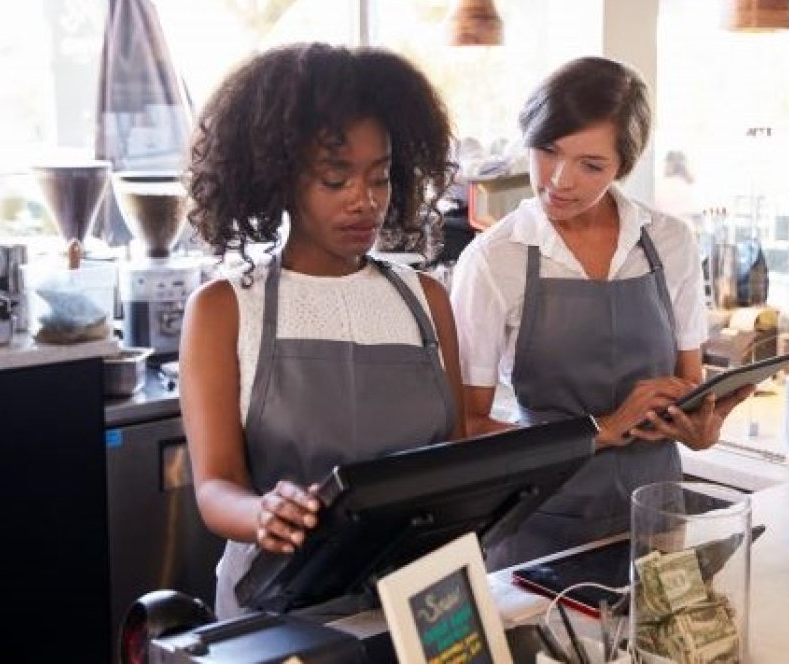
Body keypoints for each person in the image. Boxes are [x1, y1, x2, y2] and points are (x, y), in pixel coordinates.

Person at [179, 42, 464, 619]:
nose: (366, 201)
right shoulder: (224, 309)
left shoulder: (426, 300)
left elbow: (455, 462)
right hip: (278, 604)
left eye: (380, 177)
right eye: (336, 179)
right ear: (281, 180)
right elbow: (215, 486)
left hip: (419, 600)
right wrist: (262, 513)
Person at [450, 56, 752, 570]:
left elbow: (689, 386)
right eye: (548, 150)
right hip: (541, 524)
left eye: (591, 165)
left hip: (658, 517)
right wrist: (600, 429)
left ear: (622, 167)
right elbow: (466, 426)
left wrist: (701, 428)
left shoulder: (670, 242)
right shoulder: (494, 259)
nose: (559, 180)